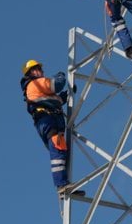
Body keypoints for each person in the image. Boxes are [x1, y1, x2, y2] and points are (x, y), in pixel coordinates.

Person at [20, 59, 85, 197]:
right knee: (58, 150)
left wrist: (67, 95)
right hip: (47, 121)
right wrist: (61, 75)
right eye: (39, 69)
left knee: (61, 152)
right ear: (32, 72)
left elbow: (55, 100)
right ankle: (62, 185)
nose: (42, 72)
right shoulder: (35, 83)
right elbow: (56, 84)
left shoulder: (37, 89)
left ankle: (64, 185)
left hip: (47, 121)